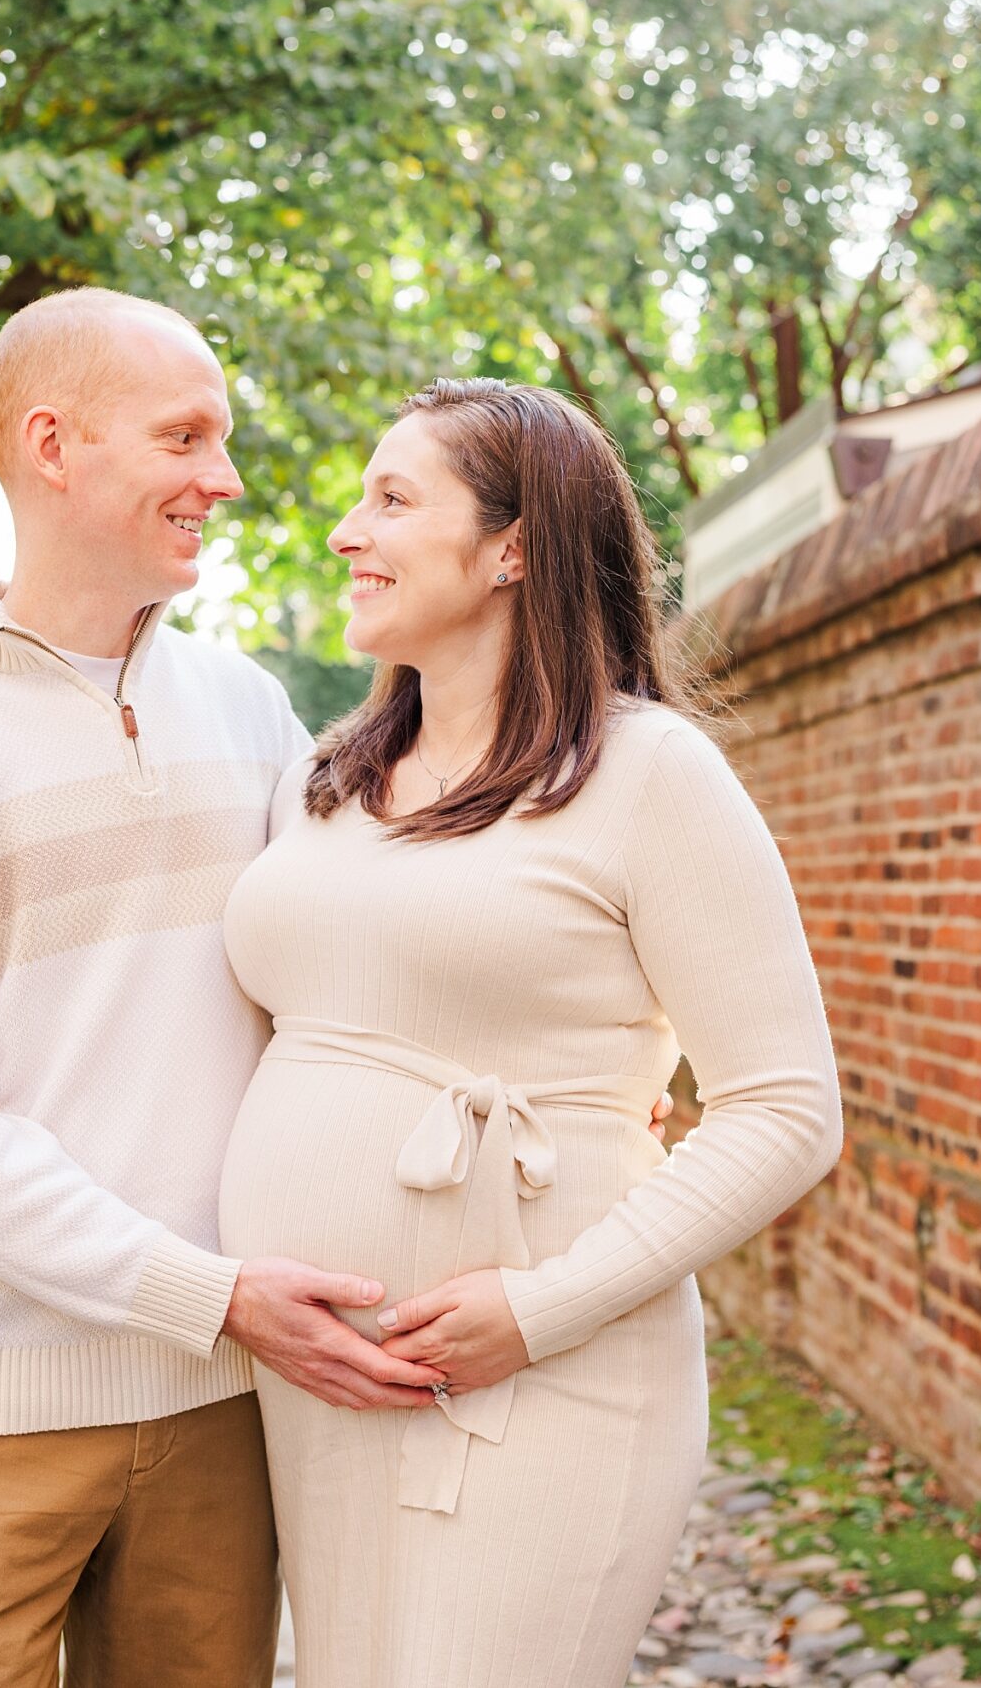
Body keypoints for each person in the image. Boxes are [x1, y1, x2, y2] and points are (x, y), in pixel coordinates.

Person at [0, 286, 457, 1688]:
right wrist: (206, 1294)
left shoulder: (253, 713)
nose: (222, 479)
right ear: (55, 444)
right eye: (185, 438)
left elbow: (361, 974)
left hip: (225, 1404)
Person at [217, 378, 844, 1686]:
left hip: (548, 1371)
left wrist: (542, 1309)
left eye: (393, 499)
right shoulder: (322, 779)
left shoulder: (650, 776)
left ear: (513, 548)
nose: (346, 531)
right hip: (328, 1377)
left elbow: (786, 1109)